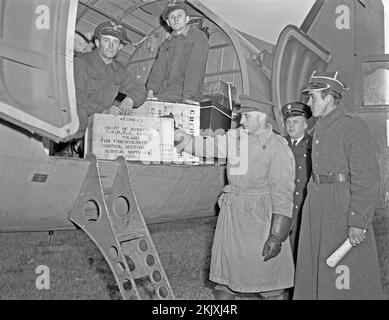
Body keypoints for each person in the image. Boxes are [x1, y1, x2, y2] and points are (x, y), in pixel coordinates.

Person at [175, 95, 295, 300]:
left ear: (262, 116)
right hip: (232, 217)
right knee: (225, 280)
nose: (242, 121)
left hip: (260, 219)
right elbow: (209, 146)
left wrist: (277, 236)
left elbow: (283, 196)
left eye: (246, 116)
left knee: (268, 283)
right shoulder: (236, 138)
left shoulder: (278, 148)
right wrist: (181, 138)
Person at [293, 71, 384, 300]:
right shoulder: (319, 128)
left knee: (344, 280)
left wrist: (358, 221)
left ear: (329, 97)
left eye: (313, 97)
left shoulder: (353, 127)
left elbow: (367, 178)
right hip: (317, 207)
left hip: (341, 211)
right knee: (315, 272)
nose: (308, 103)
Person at [73, 20, 147, 139]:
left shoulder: (119, 69)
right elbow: (77, 97)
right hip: (77, 125)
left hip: (100, 125)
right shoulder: (82, 62)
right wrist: (103, 111)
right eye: (106, 40)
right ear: (97, 42)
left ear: (120, 47)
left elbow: (140, 89)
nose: (111, 46)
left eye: (115, 42)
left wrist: (131, 99)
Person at [146, 0, 209, 104]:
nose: (175, 19)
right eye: (171, 17)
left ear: (187, 19)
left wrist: (188, 97)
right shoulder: (166, 43)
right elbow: (158, 68)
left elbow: (195, 68)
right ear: (168, 23)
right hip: (164, 95)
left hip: (184, 96)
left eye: (179, 15)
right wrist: (151, 91)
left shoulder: (198, 37)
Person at [280, 102, 312, 263]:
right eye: (288, 122)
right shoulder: (278, 144)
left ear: (305, 124)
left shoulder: (313, 146)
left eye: (295, 122)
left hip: (303, 204)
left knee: (300, 247)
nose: (290, 126)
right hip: (281, 203)